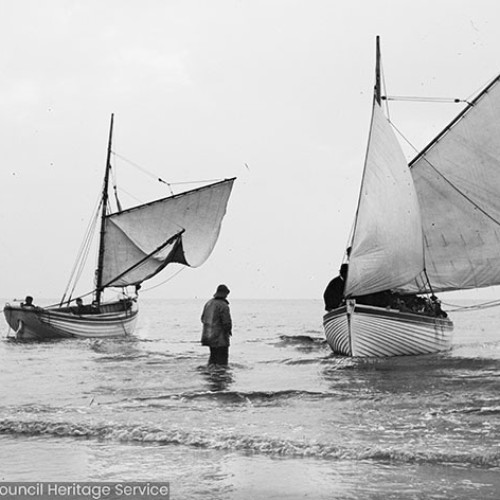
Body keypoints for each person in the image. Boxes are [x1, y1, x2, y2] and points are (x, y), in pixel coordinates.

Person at [201, 284, 232, 366]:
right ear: (225, 294)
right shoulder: (223, 305)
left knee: (213, 359)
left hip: (209, 337)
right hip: (220, 339)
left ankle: (211, 376)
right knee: (222, 361)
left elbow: (202, 318)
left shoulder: (209, 303)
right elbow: (226, 322)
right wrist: (228, 331)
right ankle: (221, 376)